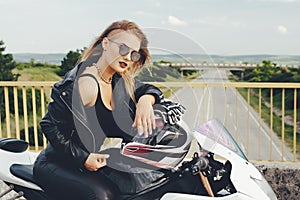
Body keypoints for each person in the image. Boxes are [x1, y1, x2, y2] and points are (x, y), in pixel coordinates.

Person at [33, 20, 167, 200]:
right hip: (57, 163)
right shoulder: (88, 83)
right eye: (123, 49)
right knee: (103, 196)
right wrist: (83, 158)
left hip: (89, 161)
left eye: (134, 54)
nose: (128, 57)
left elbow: (146, 88)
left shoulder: (117, 80)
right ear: (105, 43)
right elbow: (49, 125)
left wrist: (145, 101)